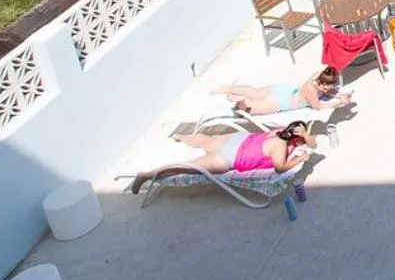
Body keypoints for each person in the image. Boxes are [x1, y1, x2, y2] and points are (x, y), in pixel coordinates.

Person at [130, 123, 313, 193]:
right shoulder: (280, 146)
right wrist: (300, 158)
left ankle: (179, 137)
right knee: (187, 167)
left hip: (239, 140)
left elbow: (312, 143)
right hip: (231, 157)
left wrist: (304, 136)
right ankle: (145, 176)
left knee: (206, 141)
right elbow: (280, 167)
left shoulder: (278, 131)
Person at [215, 66, 356, 115]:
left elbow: (327, 90)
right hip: (281, 101)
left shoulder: (321, 75)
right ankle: (239, 102)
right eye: (326, 86)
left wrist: (339, 94)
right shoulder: (310, 89)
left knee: (256, 92)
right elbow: (317, 107)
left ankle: (227, 88)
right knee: (247, 109)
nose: (328, 88)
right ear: (322, 81)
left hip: (284, 90)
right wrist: (339, 103)